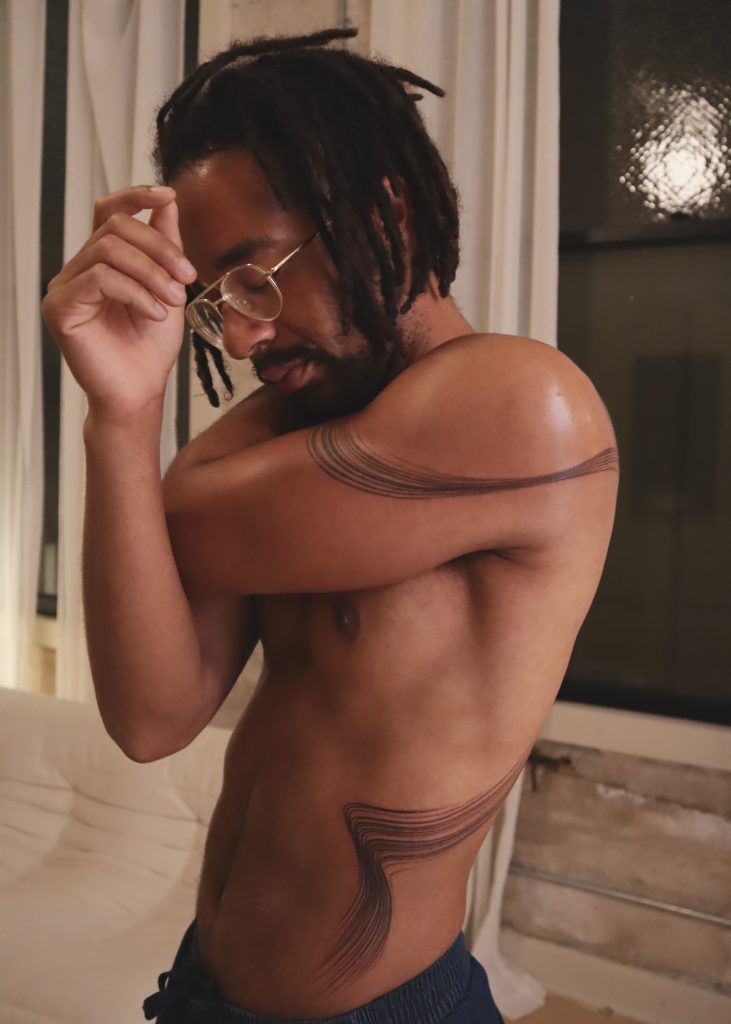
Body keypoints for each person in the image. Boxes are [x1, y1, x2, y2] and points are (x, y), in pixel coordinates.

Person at [41, 26, 619, 1024]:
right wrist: (120, 415)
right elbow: (149, 720)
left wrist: (153, 465)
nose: (238, 337)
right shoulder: (306, 422)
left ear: (382, 213)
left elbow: (174, 520)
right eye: (212, 297)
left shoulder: (523, 402)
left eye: (253, 274)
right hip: (202, 986)